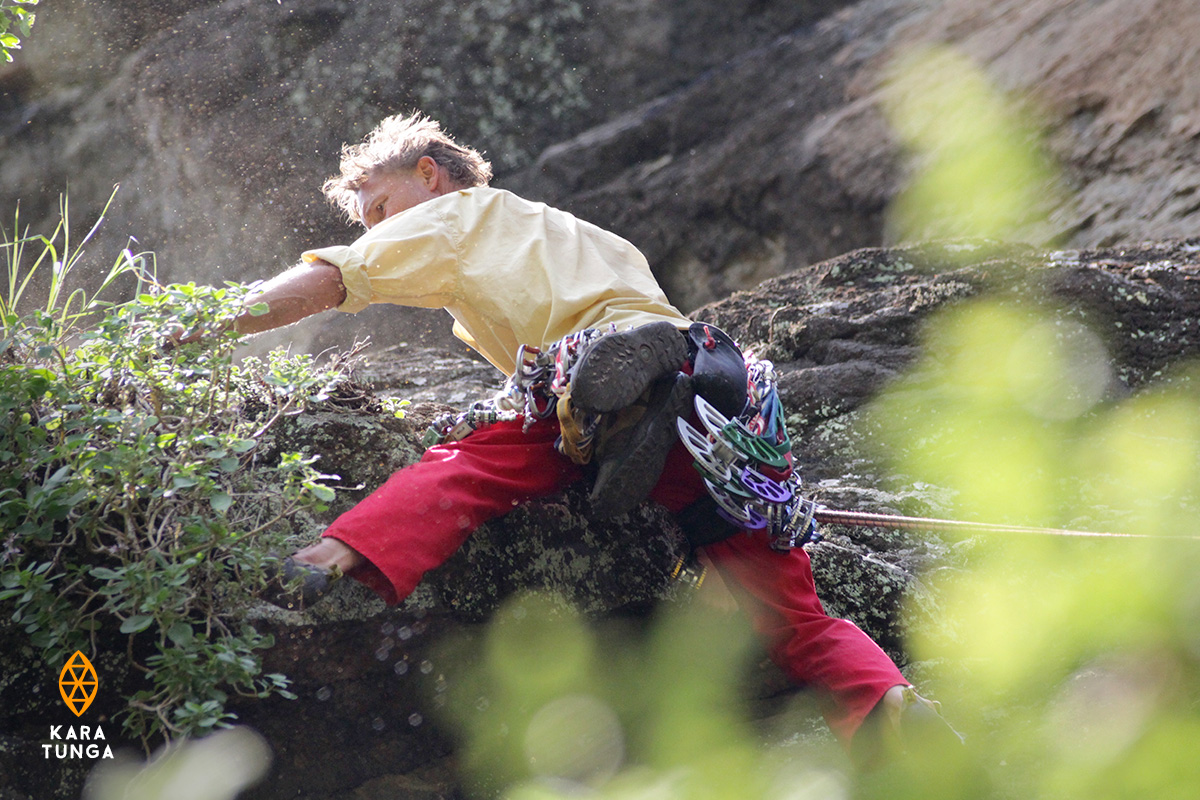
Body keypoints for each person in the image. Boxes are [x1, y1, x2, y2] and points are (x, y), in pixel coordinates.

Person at [191, 111, 953, 762]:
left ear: (429, 175)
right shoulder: (569, 228)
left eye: (382, 207)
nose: (381, 228)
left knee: (473, 461)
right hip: (719, 401)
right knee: (795, 617)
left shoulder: (452, 218)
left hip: (584, 366)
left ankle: (337, 550)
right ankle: (890, 704)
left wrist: (209, 324)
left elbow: (339, 277)